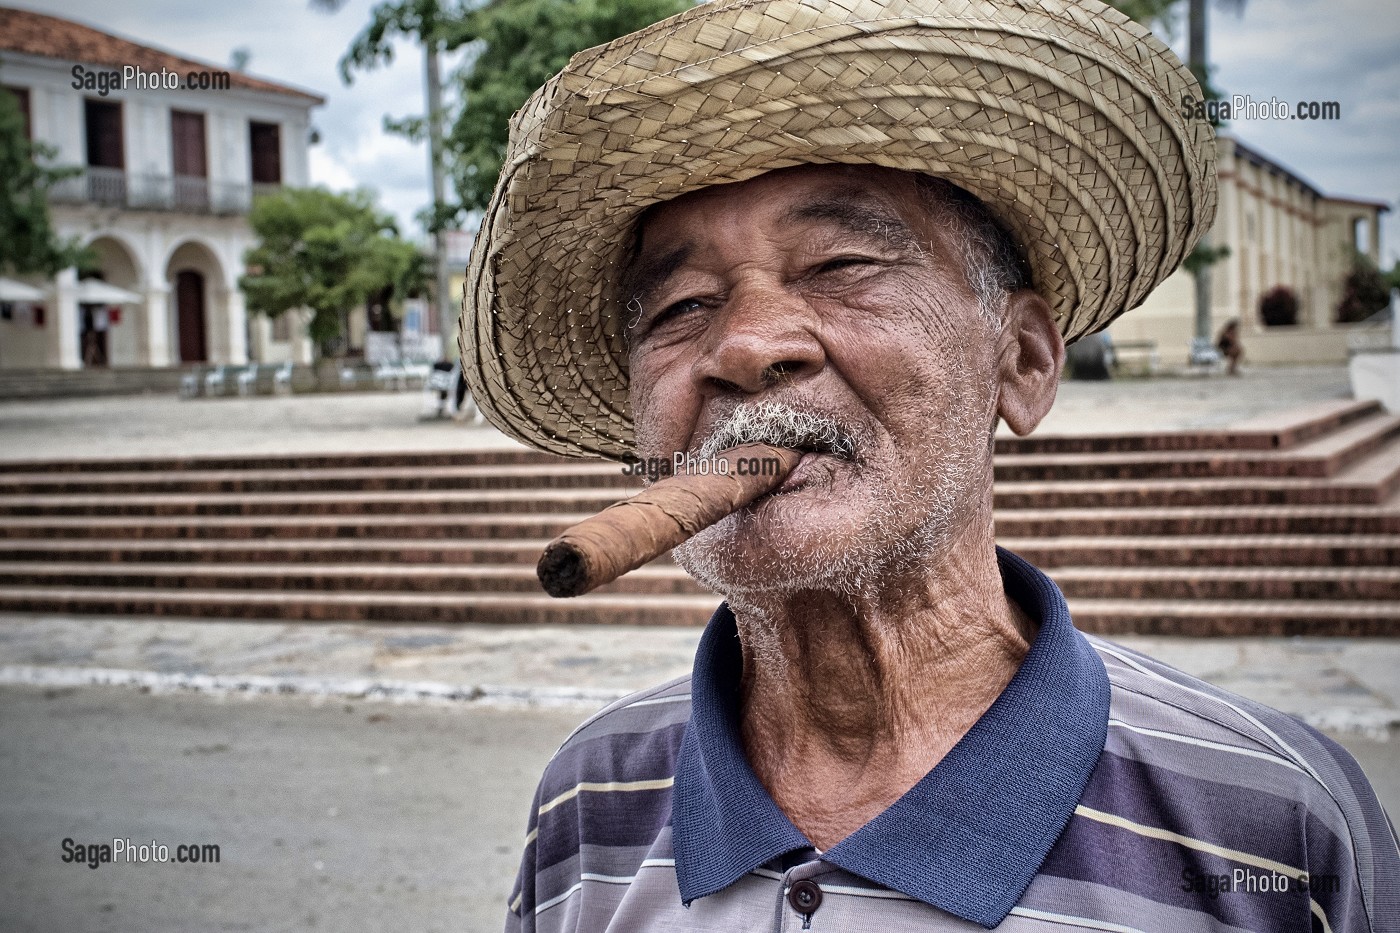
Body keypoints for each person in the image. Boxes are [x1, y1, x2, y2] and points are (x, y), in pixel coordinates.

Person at [458, 1, 1400, 930]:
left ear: (1022, 362)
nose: (744, 346)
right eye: (679, 307)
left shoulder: (1273, 825)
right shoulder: (585, 802)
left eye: (840, 263)